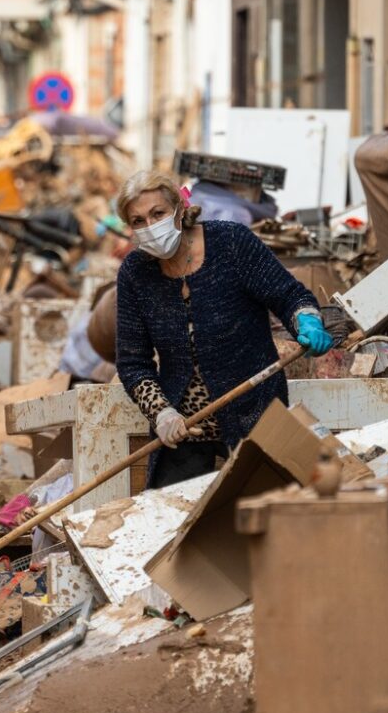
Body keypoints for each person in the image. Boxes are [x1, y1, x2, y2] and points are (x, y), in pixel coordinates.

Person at [114, 171, 334, 489]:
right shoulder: (135, 273)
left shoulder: (231, 242)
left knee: (265, 512)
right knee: (171, 522)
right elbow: (133, 364)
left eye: (157, 213)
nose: (150, 226)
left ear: (178, 208)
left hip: (255, 414)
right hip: (186, 431)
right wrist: (161, 413)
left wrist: (306, 320)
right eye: (138, 220)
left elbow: (290, 296)